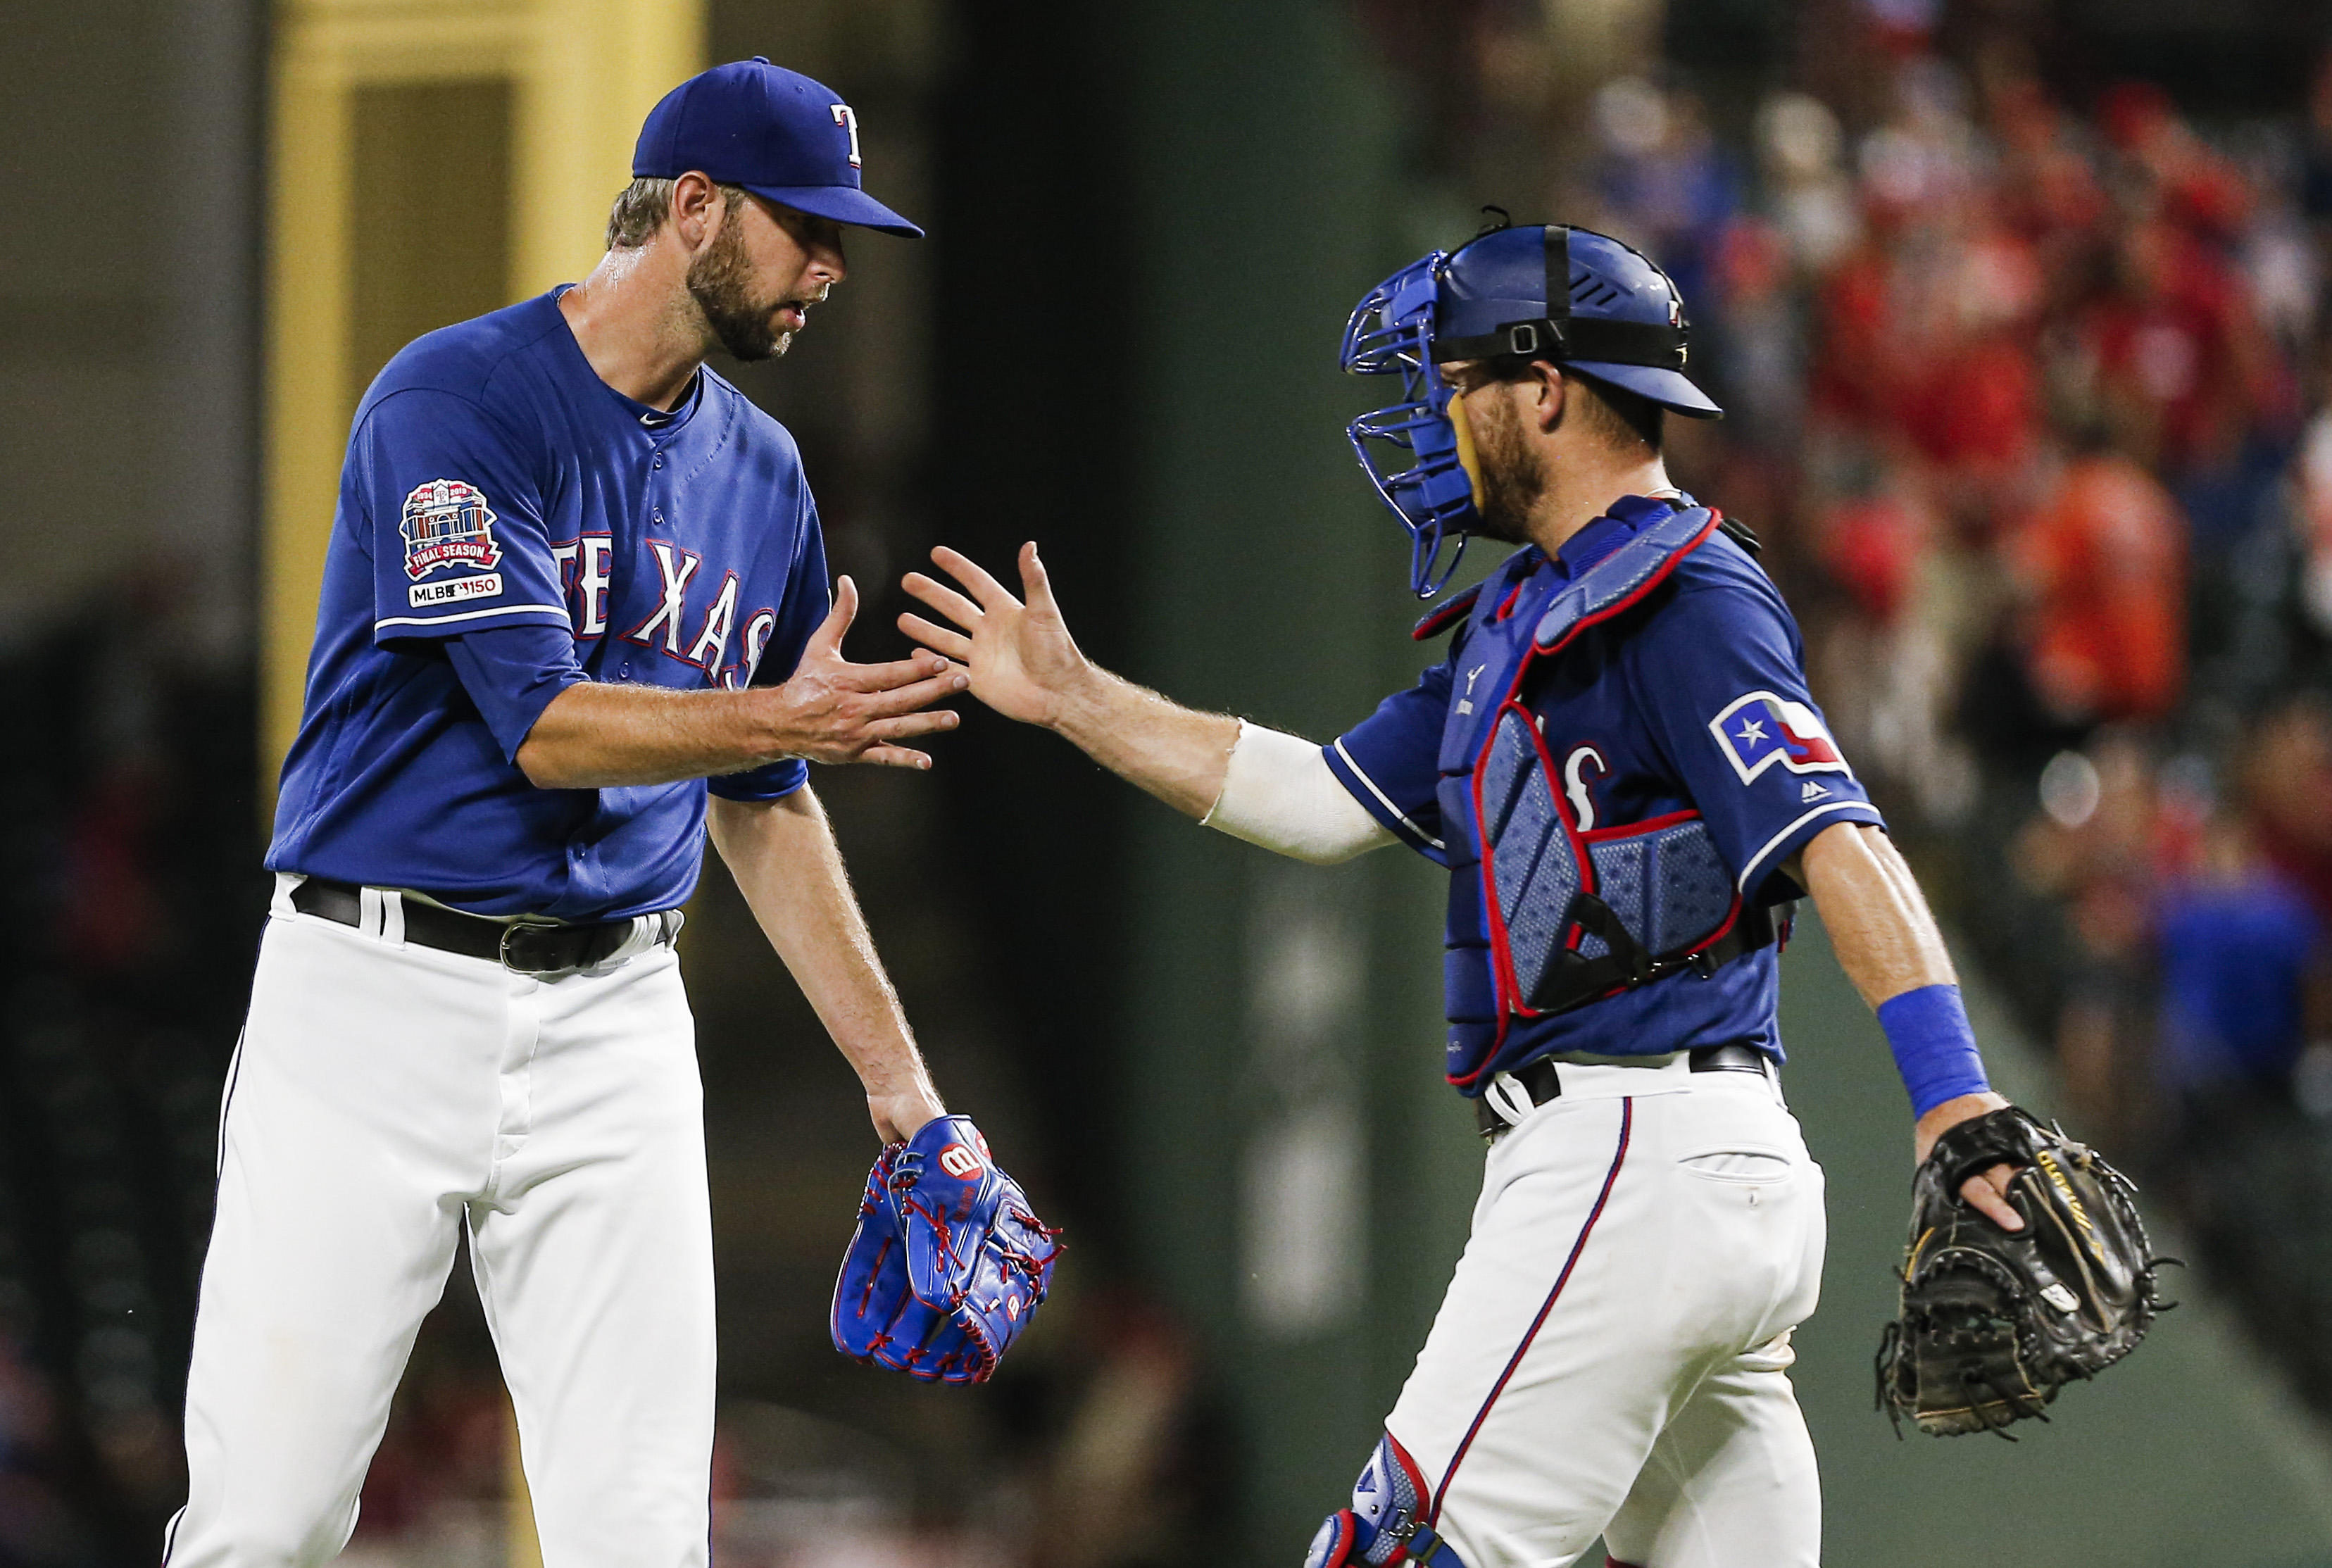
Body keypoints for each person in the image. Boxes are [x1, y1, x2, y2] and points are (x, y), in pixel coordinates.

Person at [903, 223, 2022, 1568]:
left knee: (1399, 1550)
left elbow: (1840, 839)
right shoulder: (1530, 618)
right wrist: (1080, 703)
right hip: (1705, 1181)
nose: (1434, 415)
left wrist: (1956, 1099)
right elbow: (1319, 798)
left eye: (1455, 381)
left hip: (1626, 1156)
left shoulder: (1685, 590)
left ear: (1542, 389)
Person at [168, 60, 967, 1567]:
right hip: (373, 999)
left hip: (614, 1014)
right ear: (693, 209)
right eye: (807, 227)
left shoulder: (767, 476)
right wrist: (774, 718)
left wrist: (901, 1085)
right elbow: (541, 729)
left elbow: (765, 802)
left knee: (644, 1532)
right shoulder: (456, 397)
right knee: (264, 1522)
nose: (832, 267)